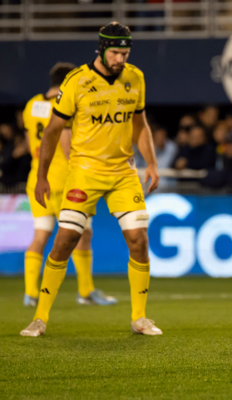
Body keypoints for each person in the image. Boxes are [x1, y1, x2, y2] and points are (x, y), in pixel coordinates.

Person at [20, 22, 162, 337]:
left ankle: (139, 317)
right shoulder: (77, 81)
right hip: (84, 172)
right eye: (115, 52)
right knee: (64, 239)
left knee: (139, 239)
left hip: (123, 172)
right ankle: (39, 317)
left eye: (125, 53)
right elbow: (54, 131)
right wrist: (42, 176)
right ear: (101, 49)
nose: (120, 59)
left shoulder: (135, 78)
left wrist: (150, 162)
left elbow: (140, 124)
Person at [22, 62, 117, 308]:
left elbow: (29, 140)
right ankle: (85, 291)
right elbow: (66, 144)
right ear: (68, 82)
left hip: (38, 179)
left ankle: (31, 293)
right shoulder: (67, 103)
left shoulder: (32, 105)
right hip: (67, 182)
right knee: (84, 233)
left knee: (41, 235)